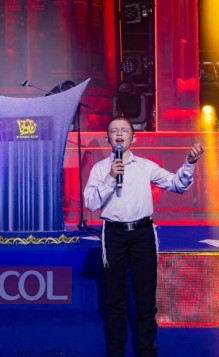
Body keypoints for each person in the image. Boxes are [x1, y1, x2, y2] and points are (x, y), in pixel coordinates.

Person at [84, 116, 204, 357]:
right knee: (115, 301)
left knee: (146, 301)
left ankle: (147, 352)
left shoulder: (146, 166)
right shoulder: (100, 169)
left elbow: (177, 185)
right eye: (114, 131)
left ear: (134, 137)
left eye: (124, 130)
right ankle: (116, 353)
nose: (119, 134)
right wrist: (110, 177)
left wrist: (189, 163)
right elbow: (91, 203)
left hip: (143, 234)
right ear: (107, 138)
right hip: (113, 235)